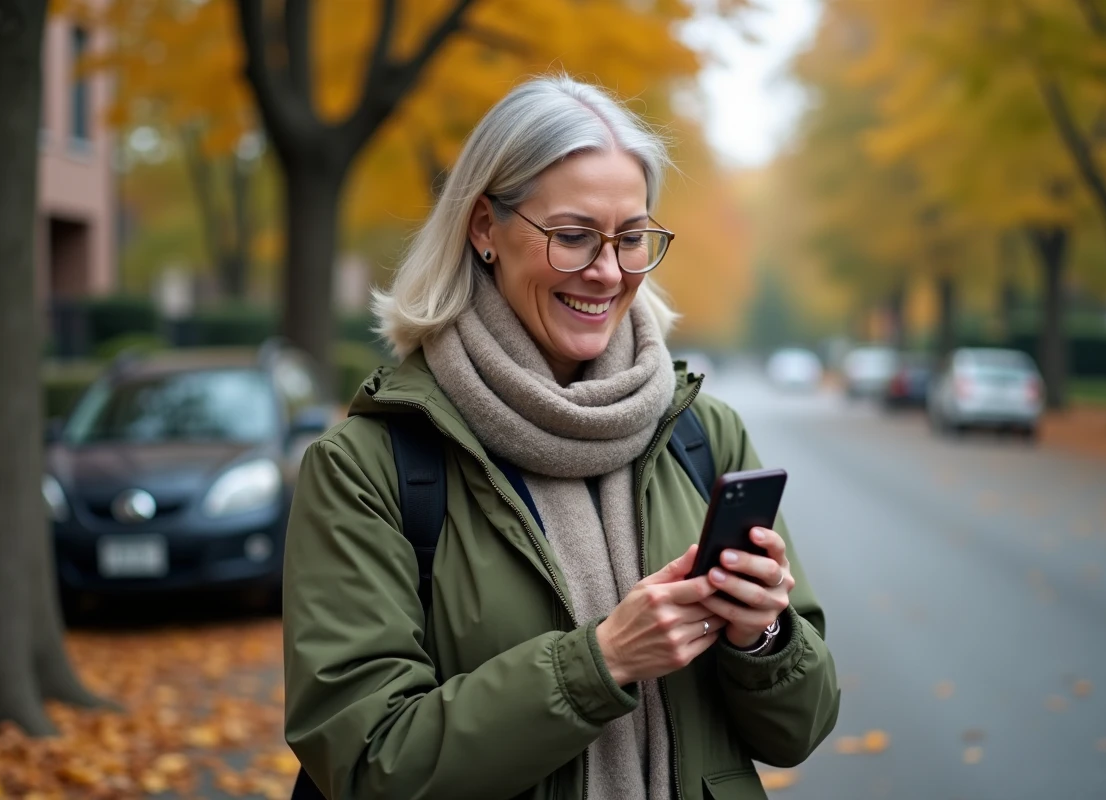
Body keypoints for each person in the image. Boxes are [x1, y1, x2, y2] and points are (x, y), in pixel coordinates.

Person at [282, 74, 839, 800]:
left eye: (633, 238)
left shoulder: (703, 435)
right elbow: (365, 762)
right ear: (485, 227)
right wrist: (599, 663)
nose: (608, 273)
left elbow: (799, 729)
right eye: (574, 237)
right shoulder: (367, 469)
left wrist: (762, 637)